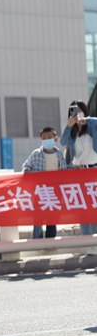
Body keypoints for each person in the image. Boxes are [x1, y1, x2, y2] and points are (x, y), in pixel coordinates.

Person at [23, 127, 70, 239]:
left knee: (52, 219)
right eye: (44, 138)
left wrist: (76, 169)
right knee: (38, 219)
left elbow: (65, 170)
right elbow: (26, 165)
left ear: (55, 139)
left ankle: (50, 242)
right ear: (41, 140)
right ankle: (37, 243)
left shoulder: (59, 155)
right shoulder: (36, 154)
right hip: (40, 192)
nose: (47, 140)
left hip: (55, 192)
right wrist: (27, 170)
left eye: (49, 137)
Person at [59, 100, 97, 238]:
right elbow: (63, 142)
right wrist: (69, 126)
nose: (77, 113)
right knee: (83, 209)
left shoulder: (92, 125)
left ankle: (95, 241)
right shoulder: (72, 132)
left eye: (80, 110)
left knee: (94, 207)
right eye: (74, 111)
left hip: (94, 170)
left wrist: (87, 120)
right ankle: (87, 241)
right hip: (79, 173)